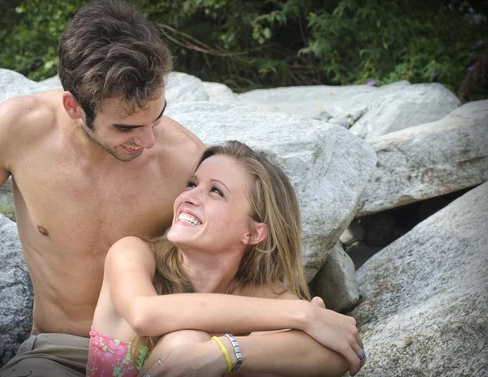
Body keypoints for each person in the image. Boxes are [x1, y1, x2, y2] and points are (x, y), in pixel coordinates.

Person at [0, 0, 362, 377]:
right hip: (57, 349)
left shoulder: (187, 162)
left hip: (167, 347)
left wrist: (257, 336)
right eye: (126, 127)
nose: (147, 142)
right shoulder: (17, 130)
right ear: (73, 106)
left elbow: (241, 264)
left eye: (156, 116)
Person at [88, 141, 365, 377]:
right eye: (192, 184)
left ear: (253, 232)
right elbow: (145, 315)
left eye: (215, 191)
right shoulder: (131, 254)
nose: (189, 196)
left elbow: (339, 355)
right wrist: (305, 314)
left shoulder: (262, 294)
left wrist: (227, 351)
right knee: (186, 341)